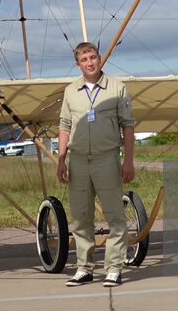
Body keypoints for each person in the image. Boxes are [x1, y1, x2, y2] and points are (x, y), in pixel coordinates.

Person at [57, 41, 136, 287]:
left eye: (93, 57)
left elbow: (128, 126)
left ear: (99, 59)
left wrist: (129, 161)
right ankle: (84, 268)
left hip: (107, 158)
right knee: (81, 216)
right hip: (79, 160)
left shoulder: (117, 88)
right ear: (77, 64)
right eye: (84, 59)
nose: (89, 63)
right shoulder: (70, 91)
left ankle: (114, 268)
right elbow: (64, 125)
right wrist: (61, 159)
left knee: (114, 215)